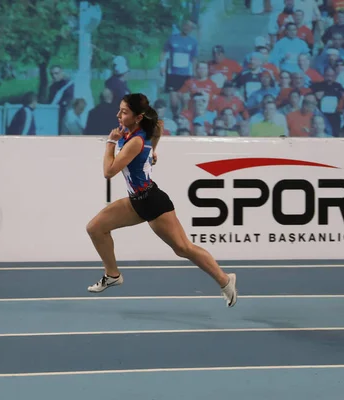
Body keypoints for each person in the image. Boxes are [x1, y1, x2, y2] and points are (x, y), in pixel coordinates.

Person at [85, 93, 238, 307]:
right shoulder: (138, 135)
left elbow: (108, 172)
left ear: (138, 117)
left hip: (153, 202)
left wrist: (110, 142)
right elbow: (157, 131)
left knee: (183, 248)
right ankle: (112, 275)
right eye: (119, 110)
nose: (118, 114)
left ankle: (225, 280)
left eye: (124, 111)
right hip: (136, 201)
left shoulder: (134, 141)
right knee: (95, 228)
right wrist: (152, 154)